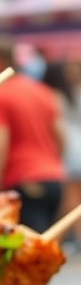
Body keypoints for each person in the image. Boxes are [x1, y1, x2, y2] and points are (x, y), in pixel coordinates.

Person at [0, 38, 66, 233]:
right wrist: (50, 164)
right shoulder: (41, 90)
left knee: (28, 254)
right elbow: (61, 138)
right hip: (54, 179)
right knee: (44, 248)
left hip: (24, 182)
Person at [43, 59, 81, 248]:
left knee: (71, 198)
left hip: (70, 150)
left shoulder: (54, 96)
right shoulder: (76, 93)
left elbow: (56, 129)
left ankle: (75, 237)